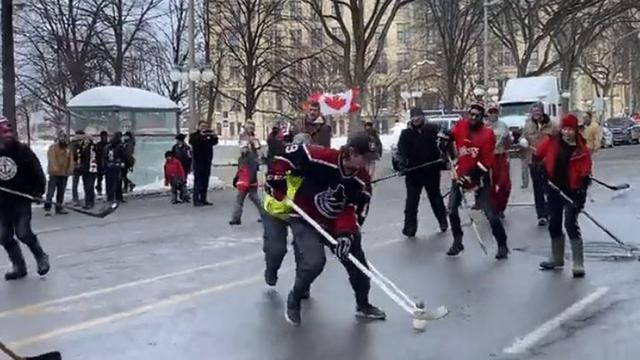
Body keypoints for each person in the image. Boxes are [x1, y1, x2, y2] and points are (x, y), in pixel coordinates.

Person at [266, 131, 386, 326]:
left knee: (358, 264)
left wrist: (346, 235)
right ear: (352, 152)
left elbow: (354, 210)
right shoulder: (322, 157)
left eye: (372, 159)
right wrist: (276, 175)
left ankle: (363, 305)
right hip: (305, 217)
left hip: (335, 223)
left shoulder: (361, 180)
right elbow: (284, 153)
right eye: (366, 158)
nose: (369, 164)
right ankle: (294, 298)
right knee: (314, 262)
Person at [445, 103, 509, 260]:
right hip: (459, 173)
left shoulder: (487, 134)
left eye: (476, 115)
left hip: (480, 175)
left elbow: (486, 162)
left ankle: (502, 245)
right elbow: (450, 135)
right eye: (471, 114)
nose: (473, 118)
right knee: (452, 209)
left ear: (482, 118)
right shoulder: (461, 125)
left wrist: (471, 175)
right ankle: (457, 241)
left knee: (490, 214)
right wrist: (444, 139)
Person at [536, 114, 591, 278]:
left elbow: (585, 173)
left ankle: (578, 262)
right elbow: (539, 154)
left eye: (570, 129)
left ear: (575, 130)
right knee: (554, 222)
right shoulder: (553, 143)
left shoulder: (582, 150)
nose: (567, 133)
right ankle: (557, 258)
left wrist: (580, 194)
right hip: (554, 189)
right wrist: (541, 169)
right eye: (564, 129)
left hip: (574, 192)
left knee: (570, 223)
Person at [0, 117, 50, 280]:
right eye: (4, 132)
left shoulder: (21, 151)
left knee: (23, 233)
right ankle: (19, 266)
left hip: (20, 200)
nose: (8, 134)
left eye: (9, 131)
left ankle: (41, 256)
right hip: (2, 203)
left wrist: (37, 191)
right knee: (3, 236)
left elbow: (36, 171)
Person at [262, 133, 307, 292]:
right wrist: (281, 193)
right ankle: (271, 269)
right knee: (277, 248)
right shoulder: (281, 163)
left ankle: (303, 283)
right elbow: (271, 185)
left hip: (299, 213)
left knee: (304, 249)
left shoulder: (312, 166)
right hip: (275, 210)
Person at [396, 107, 448, 236]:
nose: (416, 119)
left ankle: (443, 222)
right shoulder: (406, 134)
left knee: (435, 197)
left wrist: (443, 156)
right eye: (413, 117)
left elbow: (443, 143)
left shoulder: (432, 130)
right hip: (414, 173)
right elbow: (401, 152)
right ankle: (410, 228)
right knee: (412, 202)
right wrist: (402, 165)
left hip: (431, 170)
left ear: (423, 117)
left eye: (418, 116)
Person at [523, 103, 558, 226]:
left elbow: (558, 140)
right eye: (534, 111)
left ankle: (551, 211)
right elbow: (523, 139)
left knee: (549, 187)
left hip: (549, 160)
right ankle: (542, 215)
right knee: (538, 188)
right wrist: (522, 141)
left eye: (538, 110)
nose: (536, 113)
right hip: (534, 159)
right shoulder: (528, 125)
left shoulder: (552, 125)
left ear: (542, 111)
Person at [485, 104, 512, 218]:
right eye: (490, 112)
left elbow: (508, 143)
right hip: (488, 158)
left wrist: (509, 140)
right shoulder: (483, 126)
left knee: (504, 184)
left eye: (495, 112)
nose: (493, 114)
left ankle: (501, 207)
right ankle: (492, 208)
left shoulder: (503, 125)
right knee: (490, 185)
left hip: (501, 157)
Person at [230, 144, 264, 225]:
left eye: (244, 148)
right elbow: (240, 170)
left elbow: (253, 170)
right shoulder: (241, 159)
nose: (243, 150)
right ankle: (236, 218)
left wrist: (249, 181)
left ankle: (265, 216)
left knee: (255, 200)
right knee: (240, 200)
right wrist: (236, 178)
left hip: (250, 183)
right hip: (244, 183)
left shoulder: (251, 158)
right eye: (242, 149)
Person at [189, 121, 219, 206]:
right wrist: (201, 135)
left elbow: (214, 142)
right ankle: (196, 199)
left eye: (205, 126)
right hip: (198, 162)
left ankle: (203, 198)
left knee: (205, 180)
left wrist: (214, 135)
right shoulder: (194, 135)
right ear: (198, 127)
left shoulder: (208, 135)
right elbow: (192, 142)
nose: (204, 128)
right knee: (198, 181)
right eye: (202, 126)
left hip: (207, 161)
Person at [44, 132, 74, 216]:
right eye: (62, 138)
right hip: (55, 173)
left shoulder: (68, 148)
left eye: (64, 138)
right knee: (51, 191)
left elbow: (71, 159)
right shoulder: (53, 147)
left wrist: (70, 169)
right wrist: (55, 168)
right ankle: (47, 207)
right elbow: (52, 158)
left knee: (61, 191)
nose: (63, 140)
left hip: (64, 173)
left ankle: (59, 207)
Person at [75, 132, 99, 209]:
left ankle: (90, 202)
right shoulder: (81, 148)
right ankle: (87, 202)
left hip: (92, 169)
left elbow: (96, 156)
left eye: (87, 139)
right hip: (84, 169)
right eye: (85, 139)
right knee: (86, 186)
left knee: (89, 186)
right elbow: (78, 157)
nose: (85, 141)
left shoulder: (93, 148)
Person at [104, 132, 127, 203]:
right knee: (118, 181)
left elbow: (105, 156)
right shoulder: (120, 145)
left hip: (110, 165)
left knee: (110, 182)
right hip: (117, 165)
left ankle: (110, 197)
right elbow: (123, 155)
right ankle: (118, 197)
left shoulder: (109, 145)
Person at [70, 130, 85, 206]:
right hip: (77, 165)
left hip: (80, 165)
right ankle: (75, 198)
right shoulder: (74, 144)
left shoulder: (83, 143)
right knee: (76, 183)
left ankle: (75, 198)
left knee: (76, 183)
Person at [95, 131, 109, 196]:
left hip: (106, 163)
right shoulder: (98, 145)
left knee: (107, 178)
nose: (104, 138)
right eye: (103, 136)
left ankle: (106, 190)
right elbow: (96, 154)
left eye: (105, 136)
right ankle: (99, 189)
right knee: (99, 178)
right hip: (100, 163)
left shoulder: (108, 144)